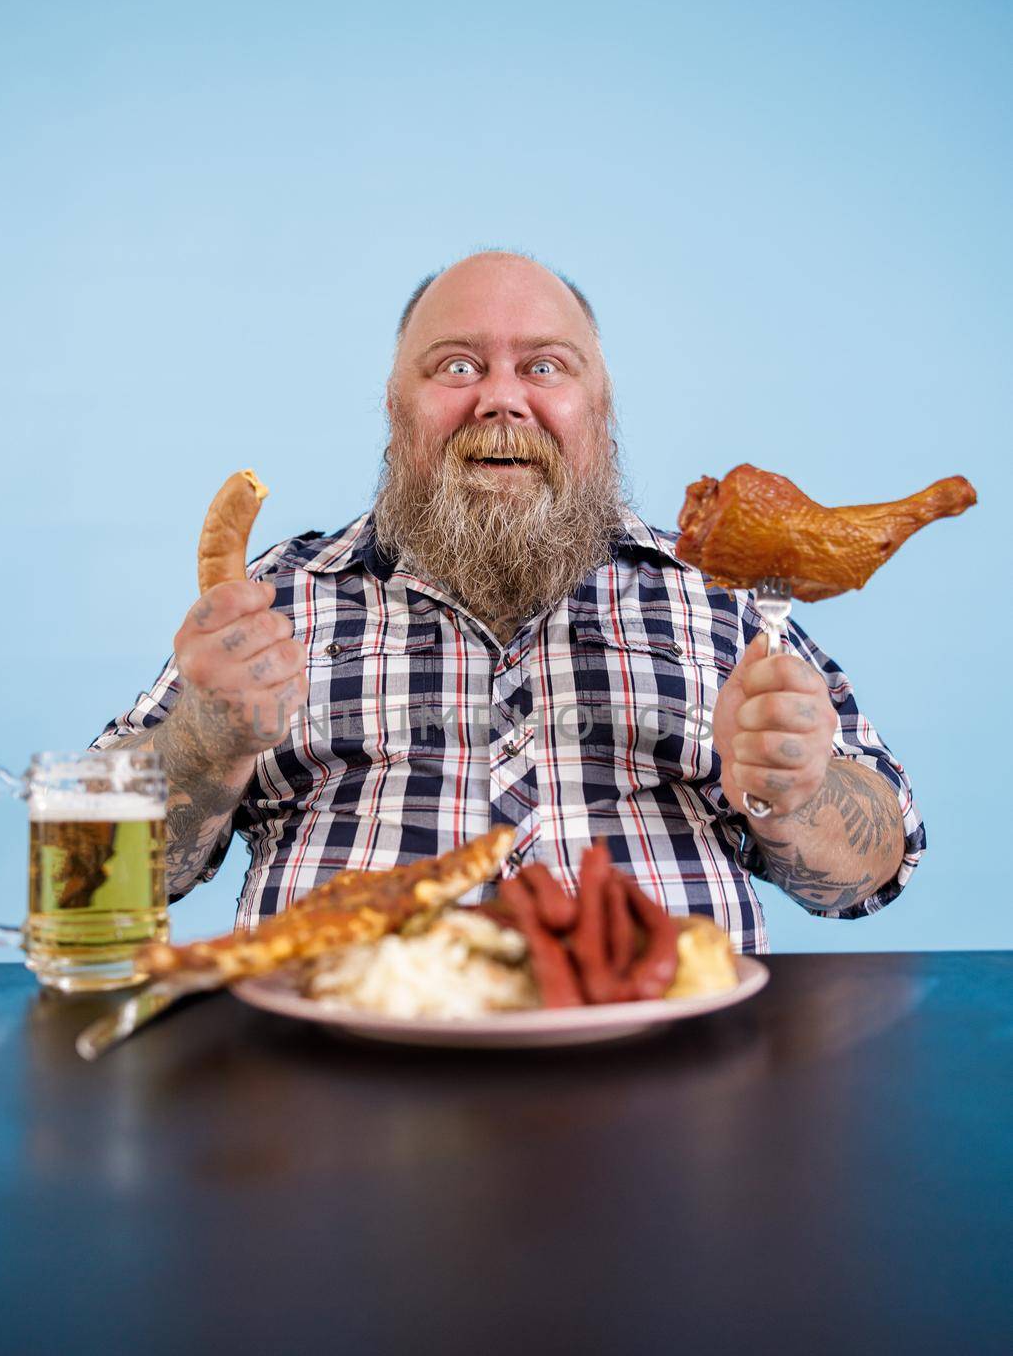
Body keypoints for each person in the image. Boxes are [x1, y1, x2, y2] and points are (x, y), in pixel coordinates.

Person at [93, 250, 923, 952]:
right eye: (456, 365)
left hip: (670, 1078)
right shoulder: (280, 595)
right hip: (336, 1079)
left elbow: (872, 869)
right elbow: (96, 871)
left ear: (598, 410)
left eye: (544, 367)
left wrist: (803, 792)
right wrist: (206, 738)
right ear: (394, 407)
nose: (499, 397)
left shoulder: (715, 592)